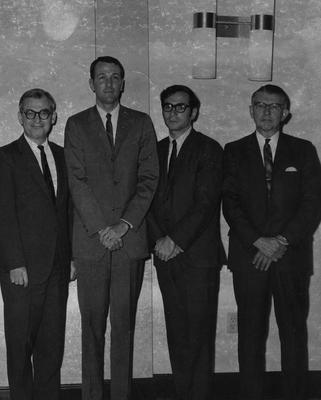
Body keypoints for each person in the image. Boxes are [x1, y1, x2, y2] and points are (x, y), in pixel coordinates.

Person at [64, 56, 158, 400]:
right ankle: (91, 395)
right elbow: (76, 181)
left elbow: (149, 180)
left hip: (129, 241)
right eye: (101, 77)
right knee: (91, 329)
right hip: (90, 242)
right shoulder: (76, 125)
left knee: (124, 327)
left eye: (115, 77)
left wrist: (122, 225)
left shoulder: (142, 123)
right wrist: (102, 228)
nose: (108, 83)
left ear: (123, 84)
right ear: (91, 84)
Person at [223, 84, 321, 400]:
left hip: (290, 257)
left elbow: (312, 204)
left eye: (274, 106)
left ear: (286, 113)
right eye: (260, 105)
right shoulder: (233, 150)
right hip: (248, 256)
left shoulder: (304, 150)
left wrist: (279, 241)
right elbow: (230, 203)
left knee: (293, 333)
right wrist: (258, 241)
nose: (266, 111)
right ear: (251, 110)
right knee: (250, 334)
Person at [0, 88, 74, 400]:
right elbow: (1, 214)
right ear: (20, 117)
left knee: (52, 346)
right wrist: (13, 262)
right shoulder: (5, 157)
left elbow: (68, 212)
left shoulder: (64, 156)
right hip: (22, 270)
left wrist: (72, 258)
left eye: (43, 113)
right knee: (20, 346)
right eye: (30, 113)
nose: (37, 119)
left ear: (54, 117)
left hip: (58, 267)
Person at [147, 85, 225, 400]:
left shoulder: (209, 149)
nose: (173, 112)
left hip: (198, 256)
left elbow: (206, 204)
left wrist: (175, 239)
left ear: (193, 112)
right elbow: (146, 200)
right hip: (165, 256)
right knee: (177, 333)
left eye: (181, 107)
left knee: (199, 336)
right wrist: (158, 240)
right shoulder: (153, 149)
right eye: (168, 106)